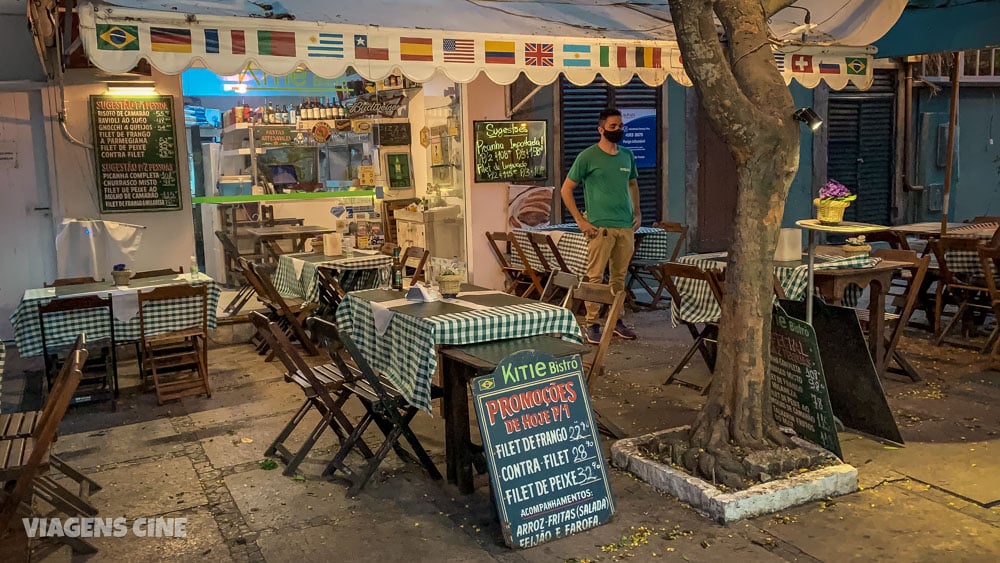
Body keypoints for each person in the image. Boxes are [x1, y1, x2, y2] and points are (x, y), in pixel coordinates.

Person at [560, 108, 640, 344]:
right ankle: (592, 322)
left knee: (619, 277)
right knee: (595, 277)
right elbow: (566, 189)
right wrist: (581, 221)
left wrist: (638, 212)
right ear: (601, 129)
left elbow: (633, 184)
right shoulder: (587, 157)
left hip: (625, 227)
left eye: (620, 126)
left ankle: (616, 320)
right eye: (613, 126)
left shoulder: (627, 155)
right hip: (599, 228)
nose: (618, 129)